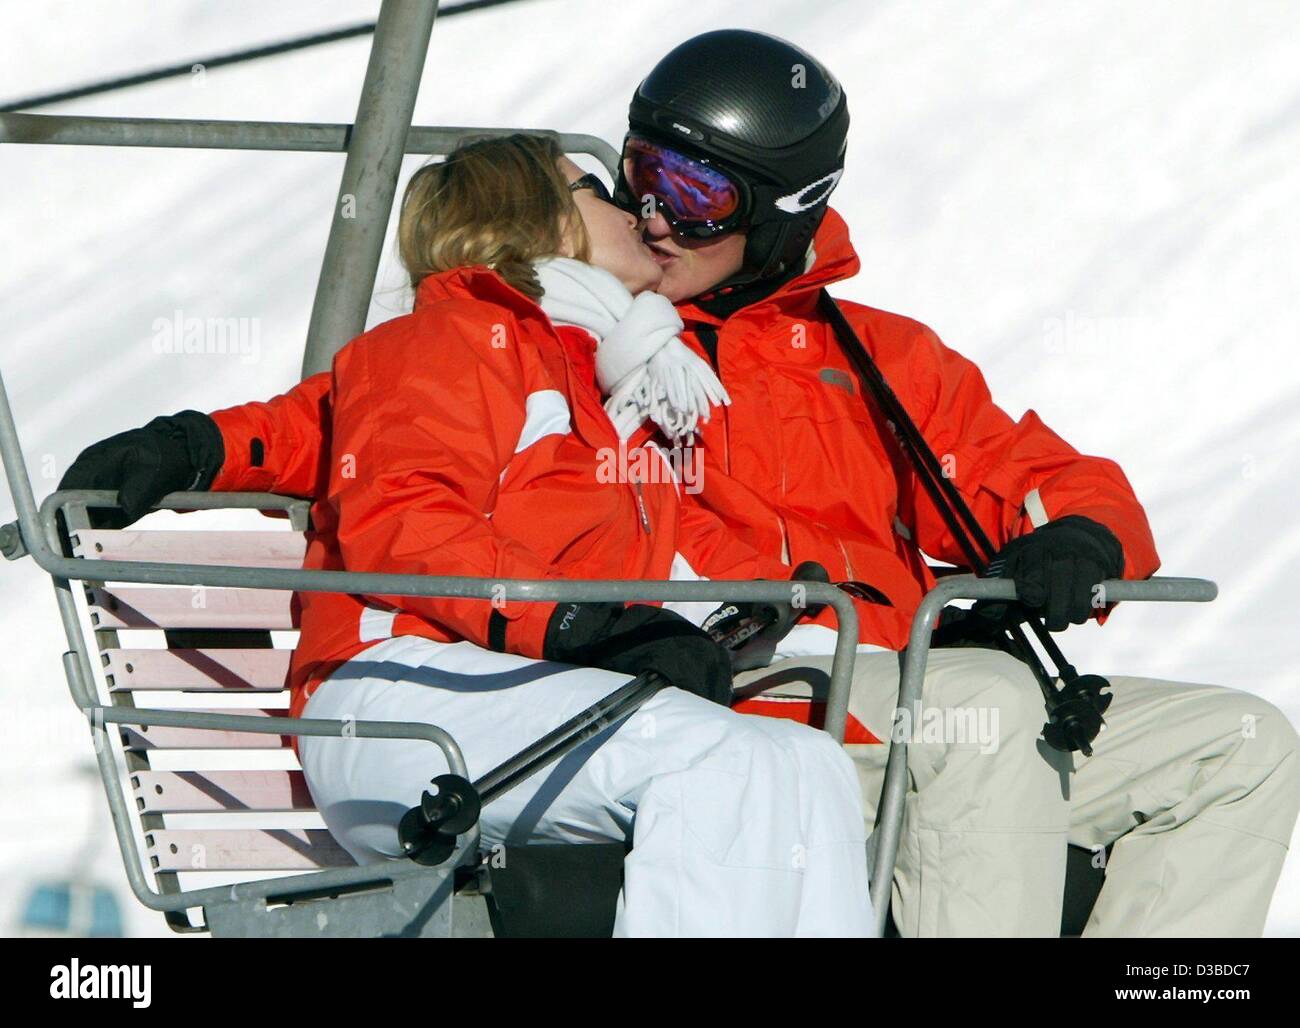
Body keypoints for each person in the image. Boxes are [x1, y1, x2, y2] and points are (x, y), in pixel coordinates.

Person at [64, 31, 1300, 937]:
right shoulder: (614, 351)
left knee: (1240, 743)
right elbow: (379, 415)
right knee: (976, 716)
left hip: (891, 681)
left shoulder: (875, 358)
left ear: (782, 212)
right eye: (642, 172)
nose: (657, 216)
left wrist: (1075, 534)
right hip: (762, 674)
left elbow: (1027, 473)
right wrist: (193, 441)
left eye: (698, 193)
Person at [60, 133, 875, 938]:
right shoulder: (447, 339)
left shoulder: (591, 383)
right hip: (397, 700)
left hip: (510, 690)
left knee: (805, 767)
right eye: (597, 186)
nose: (634, 209)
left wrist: (772, 604)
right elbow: (407, 522)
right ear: (540, 217)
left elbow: (333, 422)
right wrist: (578, 621)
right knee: (721, 765)